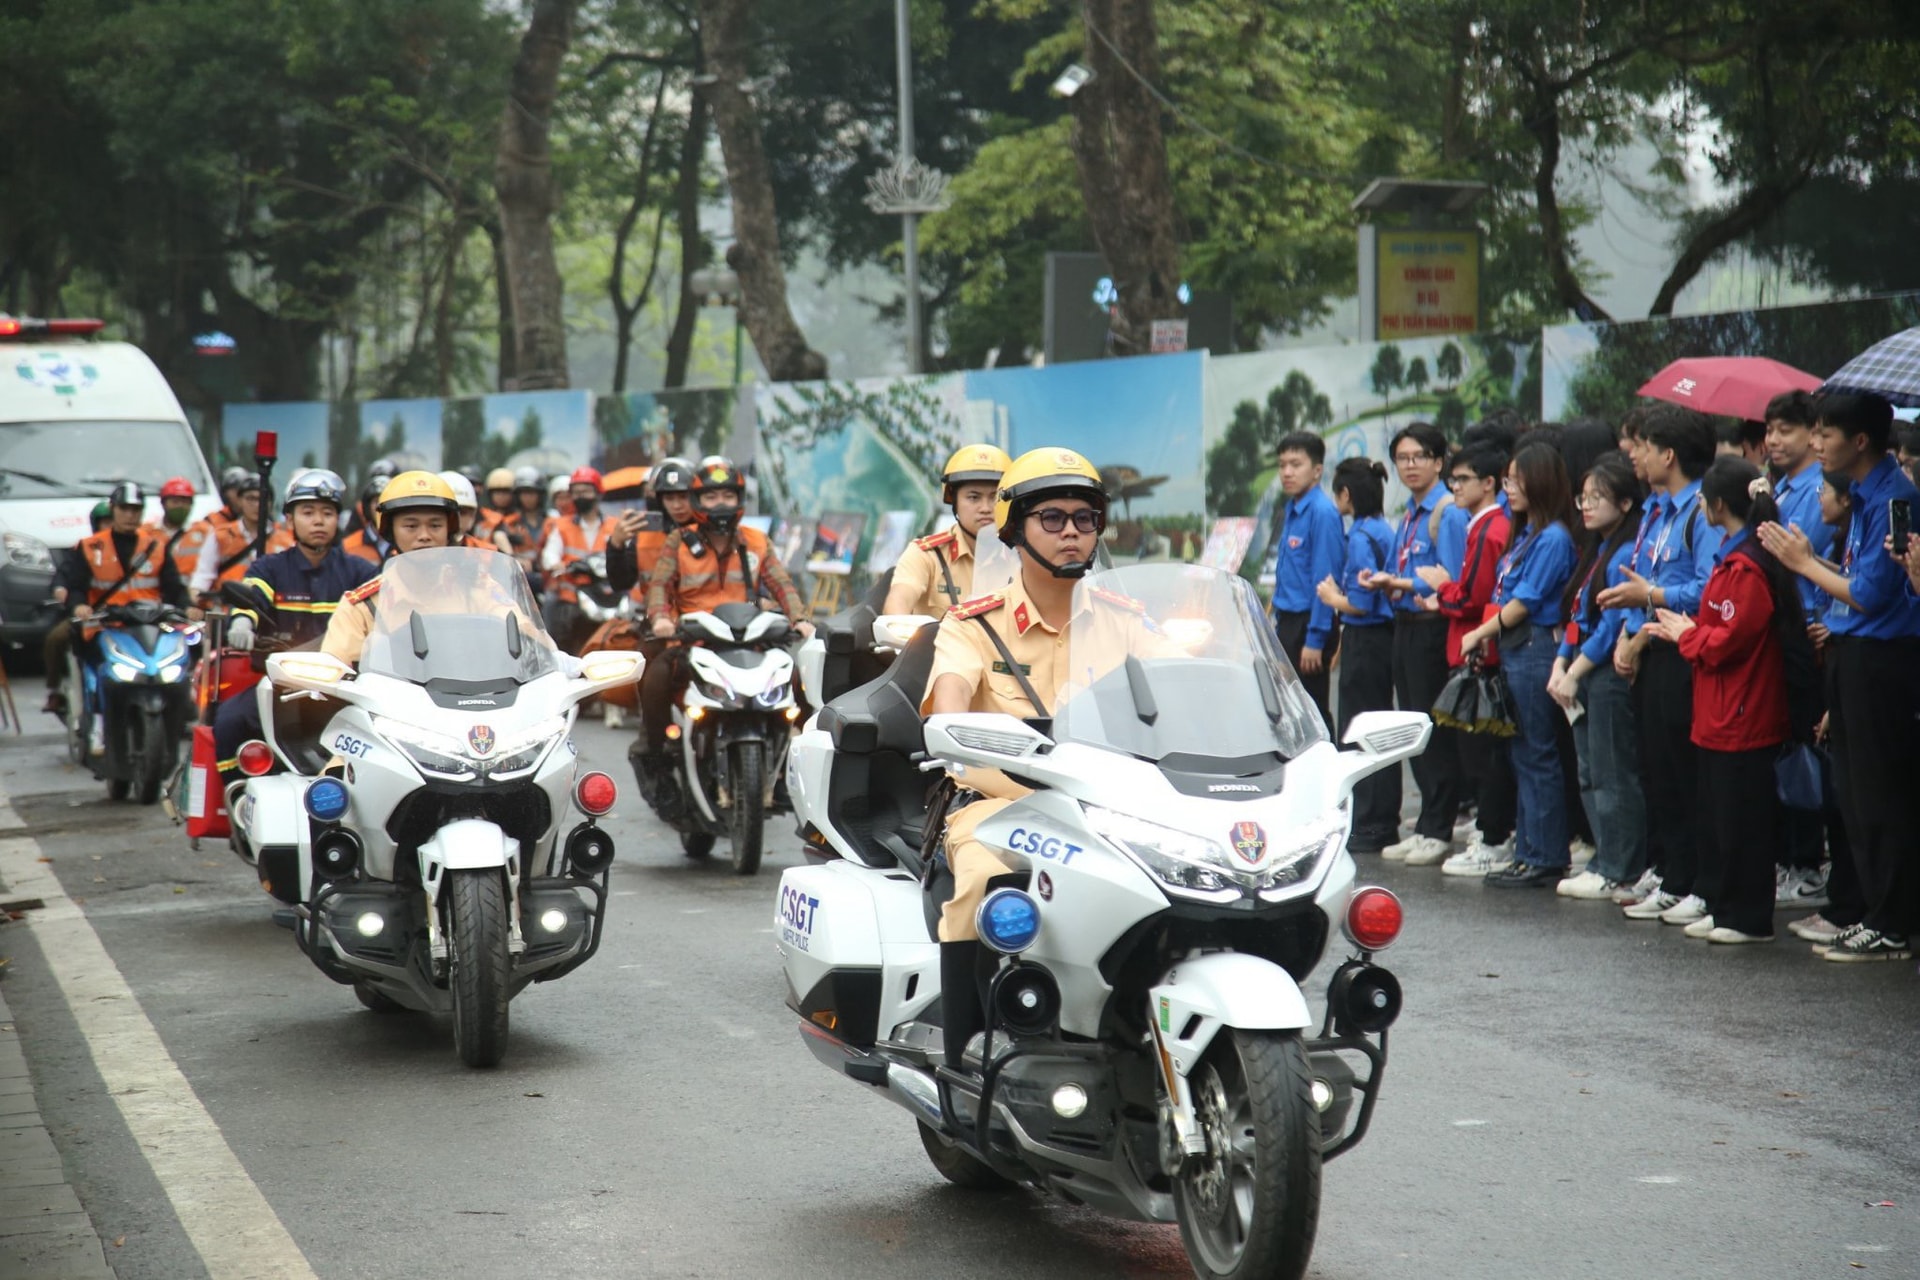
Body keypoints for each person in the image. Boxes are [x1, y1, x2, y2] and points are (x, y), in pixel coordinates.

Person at [920, 447, 1161, 1066]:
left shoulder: (1126, 621)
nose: (1072, 531)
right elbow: (947, 706)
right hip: (1002, 807)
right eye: (1051, 518)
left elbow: (1176, 700)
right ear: (1014, 528)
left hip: (1114, 812)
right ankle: (968, 1055)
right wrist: (952, 726)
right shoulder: (972, 624)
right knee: (981, 881)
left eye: (1085, 518)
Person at [1757, 391, 1920, 961]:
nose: (1815, 443)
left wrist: (1803, 565)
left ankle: (1892, 921)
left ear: (1859, 442)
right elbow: (1852, 577)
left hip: (1883, 661)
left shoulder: (1894, 497)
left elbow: (1873, 595)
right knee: (1853, 794)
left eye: (1825, 434)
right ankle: (1876, 912)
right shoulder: (1863, 494)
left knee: (1880, 795)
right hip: (1853, 654)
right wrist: (1808, 558)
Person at [1643, 458, 1805, 944]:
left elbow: (1729, 639)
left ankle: (1748, 917)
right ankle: (1724, 905)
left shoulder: (1747, 567)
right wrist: (1694, 633)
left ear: (1717, 505)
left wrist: (1687, 635)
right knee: (1718, 815)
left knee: (1744, 820)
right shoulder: (1732, 558)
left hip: (1743, 708)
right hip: (1719, 707)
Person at [1600, 406, 1723, 924]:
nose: (1636, 455)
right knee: (1659, 772)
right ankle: (1674, 877)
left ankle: (1699, 881)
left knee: (1685, 772)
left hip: (1686, 656)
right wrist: (1631, 634)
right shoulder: (1658, 511)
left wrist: (1651, 594)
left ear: (1668, 454)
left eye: (1645, 447)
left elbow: (1709, 589)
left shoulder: (1699, 512)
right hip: (1652, 651)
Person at [633, 458, 813, 782]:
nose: (721, 504)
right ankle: (656, 755)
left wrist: (799, 619)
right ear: (698, 502)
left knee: (798, 678)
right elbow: (659, 587)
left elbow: (782, 584)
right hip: (692, 638)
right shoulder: (677, 541)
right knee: (656, 677)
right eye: (712, 497)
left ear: (739, 500)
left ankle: (804, 758)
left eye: (728, 496)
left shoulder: (757, 540)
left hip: (748, 637)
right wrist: (660, 618)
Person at [1459, 444, 1578, 888]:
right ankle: (1529, 852)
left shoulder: (1552, 539)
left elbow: (1524, 602)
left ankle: (1545, 855)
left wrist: (1478, 633)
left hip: (1532, 651)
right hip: (1516, 651)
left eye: (1515, 479)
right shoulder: (1529, 533)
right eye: (1507, 480)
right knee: (1522, 754)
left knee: (1536, 754)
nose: (1509, 488)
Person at [213, 470, 376, 786]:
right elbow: (251, 598)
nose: (318, 521)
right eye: (308, 512)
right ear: (289, 520)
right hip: (280, 685)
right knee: (229, 720)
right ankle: (237, 797)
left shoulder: (361, 571)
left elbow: (384, 614)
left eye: (327, 513)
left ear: (338, 521)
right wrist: (242, 623)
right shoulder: (270, 567)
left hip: (347, 688)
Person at [1357, 423, 1468, 863]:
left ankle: (1440, 827)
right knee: (1415, 727)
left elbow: (1453, 582)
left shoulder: (1448, 512)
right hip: (1405, 624)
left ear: (1439, 462)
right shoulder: (1408, 512)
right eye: (1402, 458)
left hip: (1432, 629)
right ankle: (1426, 822)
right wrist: (1385, 580)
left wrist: (1399, 581)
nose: (1410, 465)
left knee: (1435, 730)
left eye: (1419, 456)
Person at [1546, 452, 1648, 900]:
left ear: (1625, 504)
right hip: (1582, 671)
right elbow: (1577, 613)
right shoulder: (1598, 548)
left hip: (1605, 674)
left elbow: (1611, 625)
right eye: (1583, 497)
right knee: (1589, 772)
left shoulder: (1627, 550)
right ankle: (1604, 857)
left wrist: (1577, 668)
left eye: (1598, 497)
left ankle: (1620, 868)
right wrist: (1560, 662)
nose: (1585, 506)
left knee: (1612, 774)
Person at [1426, 446, 1519, 876]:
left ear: (1489, 483)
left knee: (1483, 753)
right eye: (1453, 480)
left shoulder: (1490, 529)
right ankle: (1492, 830)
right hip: (1475, 646)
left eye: (1463, 479)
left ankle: (1493, 835)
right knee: (1480, 750)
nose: (1455, 487)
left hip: (1479, 651)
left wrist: (1443, 589)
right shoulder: (1486, 525)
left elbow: (1471, 597)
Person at [1761, 389, 1835, 907]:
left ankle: (1810, 862)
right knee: (1785, 749)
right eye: (1769, 430)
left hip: (1811, 634)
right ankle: (1791, 857)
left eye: (1785, 430)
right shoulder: (1780, 489)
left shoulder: (1820, 493)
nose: (1773, 440)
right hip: (1778, 634)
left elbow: (1815, 563)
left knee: (1810, 752)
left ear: (1813, 434)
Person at [61, 483, 193, 754]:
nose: (130, 515)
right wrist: (79, 607)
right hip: (104, 625)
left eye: (136, 509)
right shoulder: (90, 546)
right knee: (97, 671)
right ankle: (97, 723)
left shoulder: (155, 545)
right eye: (124, 509)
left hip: (149, 624)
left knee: (179, 663)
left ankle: (180, 716)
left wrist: (188, 607)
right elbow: (75, 585)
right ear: (113, 509)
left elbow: (174, 586)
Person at [1315, 458, 1400, 853]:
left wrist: (1334, 599)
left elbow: (1362, 604)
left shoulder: (1362, 537)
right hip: (1381, 641)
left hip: (1367, 641)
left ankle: (1370, 821)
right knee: (1379, 727)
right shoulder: (1382, 529)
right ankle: (1380, 818)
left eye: (1337, 493)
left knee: (1362, 729)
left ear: (1346, 495)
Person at [320, 472, 463, 666]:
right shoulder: (363, 607)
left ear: (449, 529)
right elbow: (334, 674)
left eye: (435, 525)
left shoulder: (475, 588)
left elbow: (518, 633)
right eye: (411, 526)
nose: (424, 535)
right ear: (391, 531)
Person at [1265, 432, 1343, 727]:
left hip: (1309, 624)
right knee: (1289, 714)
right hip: (1288, 622)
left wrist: (1315, 639)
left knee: (1313, 714)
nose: (1286, 472)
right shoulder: (1292, 509)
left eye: (1295, 464)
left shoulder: (1322, 513)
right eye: (1282, 464)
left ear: (1317, 470)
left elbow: (1325, 582)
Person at [884, 444, 1012, 617]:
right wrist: (897, 628)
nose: (985, 508)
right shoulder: (927, 555)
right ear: (954, 502)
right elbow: (899, 601)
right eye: (974, 498)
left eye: (995, 497)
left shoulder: (1023, 556)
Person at [42, 501, 113, 717]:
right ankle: (55, 690)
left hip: (126, 615)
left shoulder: (139, 547)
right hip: (90, 615)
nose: (110, 526)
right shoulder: (84, 548)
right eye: (105, 522)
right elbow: (65, 576)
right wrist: (62, 590)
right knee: (56, 638)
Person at [189, 471, 290, 602]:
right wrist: (195, 604)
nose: (257, 504)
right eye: (250, 498)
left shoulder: (285, 541)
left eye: (263, 498)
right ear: (240, 501)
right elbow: (202, 576)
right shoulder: (221, 535)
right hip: (226, 612)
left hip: (267, 613)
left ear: (271, 503)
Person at [607, 457, 698, 597]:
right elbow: (620, 583)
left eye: (683, 496)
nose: (677, 506)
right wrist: (616, 545)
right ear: (659, 500)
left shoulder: (711, 532)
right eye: (669, 498)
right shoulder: (643, 537)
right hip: (655, 615)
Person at [498, 466, 552, 591]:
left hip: (547, 578)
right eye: (524, 493)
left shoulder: (552, 521)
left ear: (540, 494)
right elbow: (498, 536)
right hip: (519, 580)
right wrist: (515, 558)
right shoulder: (508, 522)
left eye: (532, 493)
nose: (528, 497)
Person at [148, 477, 205, 578]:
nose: (180, 506)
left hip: (191, 591)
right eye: (175, 501)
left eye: (185, 502)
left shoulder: (204, 533)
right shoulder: (147, 533)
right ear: (163, 503)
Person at [340, 476, 391, 564]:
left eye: (387, 501)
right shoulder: (348, 545)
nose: (381, 507)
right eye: (376, 501)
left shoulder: (408, 543)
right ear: (367, 507)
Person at [480, 467, 517, 533]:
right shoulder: (481, 517)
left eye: (505, 492)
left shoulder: (518, 520)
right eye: (497, 492)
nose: (501, 496)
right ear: (490, 495)